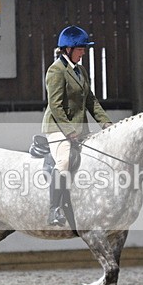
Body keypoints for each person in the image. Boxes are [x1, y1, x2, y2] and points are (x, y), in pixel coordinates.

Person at [42, 25, 113, 226]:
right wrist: (69, 131)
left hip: (80, 129)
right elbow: (55, 106)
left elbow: (91, 100)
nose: (83, 53)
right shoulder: (55, 70)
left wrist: (106, 123)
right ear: (68, 49)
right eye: (81, 49)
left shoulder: (80, 70)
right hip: (58, 128)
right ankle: (54, 209)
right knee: (63, 162)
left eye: (83, 49)